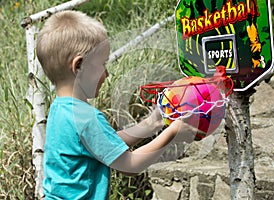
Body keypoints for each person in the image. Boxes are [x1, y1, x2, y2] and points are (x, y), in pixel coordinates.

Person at [36, 10, 198, 199]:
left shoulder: (59, 109)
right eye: (103, 64)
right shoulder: (86, 118)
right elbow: (129, 165)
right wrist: (172, 133)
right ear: (78, 66)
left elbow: (105, 143)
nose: (107, 74)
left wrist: (150, 125)